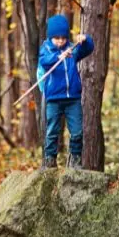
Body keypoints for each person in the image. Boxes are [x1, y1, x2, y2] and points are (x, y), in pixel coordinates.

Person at [38, 14, 94, 170]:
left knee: (77, 132)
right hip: (54, 98)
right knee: (52, 131)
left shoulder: (72, 49)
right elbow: (45, 61)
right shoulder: (45, 49)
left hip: (72, 98)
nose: (61, 41)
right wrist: (59, 57)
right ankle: (49, 160)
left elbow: (89, 48)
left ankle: (75, 160)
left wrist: (85, 39)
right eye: (57, 38)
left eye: (63, 38)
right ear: (51, 37)